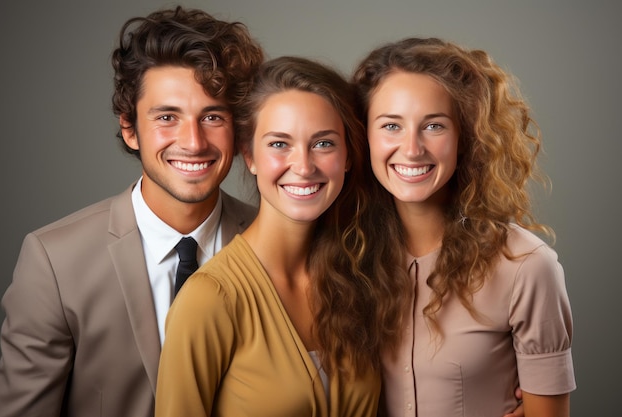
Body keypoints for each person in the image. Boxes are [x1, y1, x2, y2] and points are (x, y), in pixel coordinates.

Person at [0, 6, 263, 417]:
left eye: (212, 116)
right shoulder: (54, 263)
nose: (193, 142)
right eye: (167, 117)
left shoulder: (275, 243)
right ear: (129, 127)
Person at [154, 56, 411, 417]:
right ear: (250, 155)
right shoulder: (209, 300)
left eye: (323, 144)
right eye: (279, 144)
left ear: (349, 156)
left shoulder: (360, 279)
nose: (304, 167)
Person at [353, 37, 576, 417]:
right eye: (391, 125)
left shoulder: (526, 267)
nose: (411, 148)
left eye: (434, 126)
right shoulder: (346, 259)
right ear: (363, 136)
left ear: (465, 136)